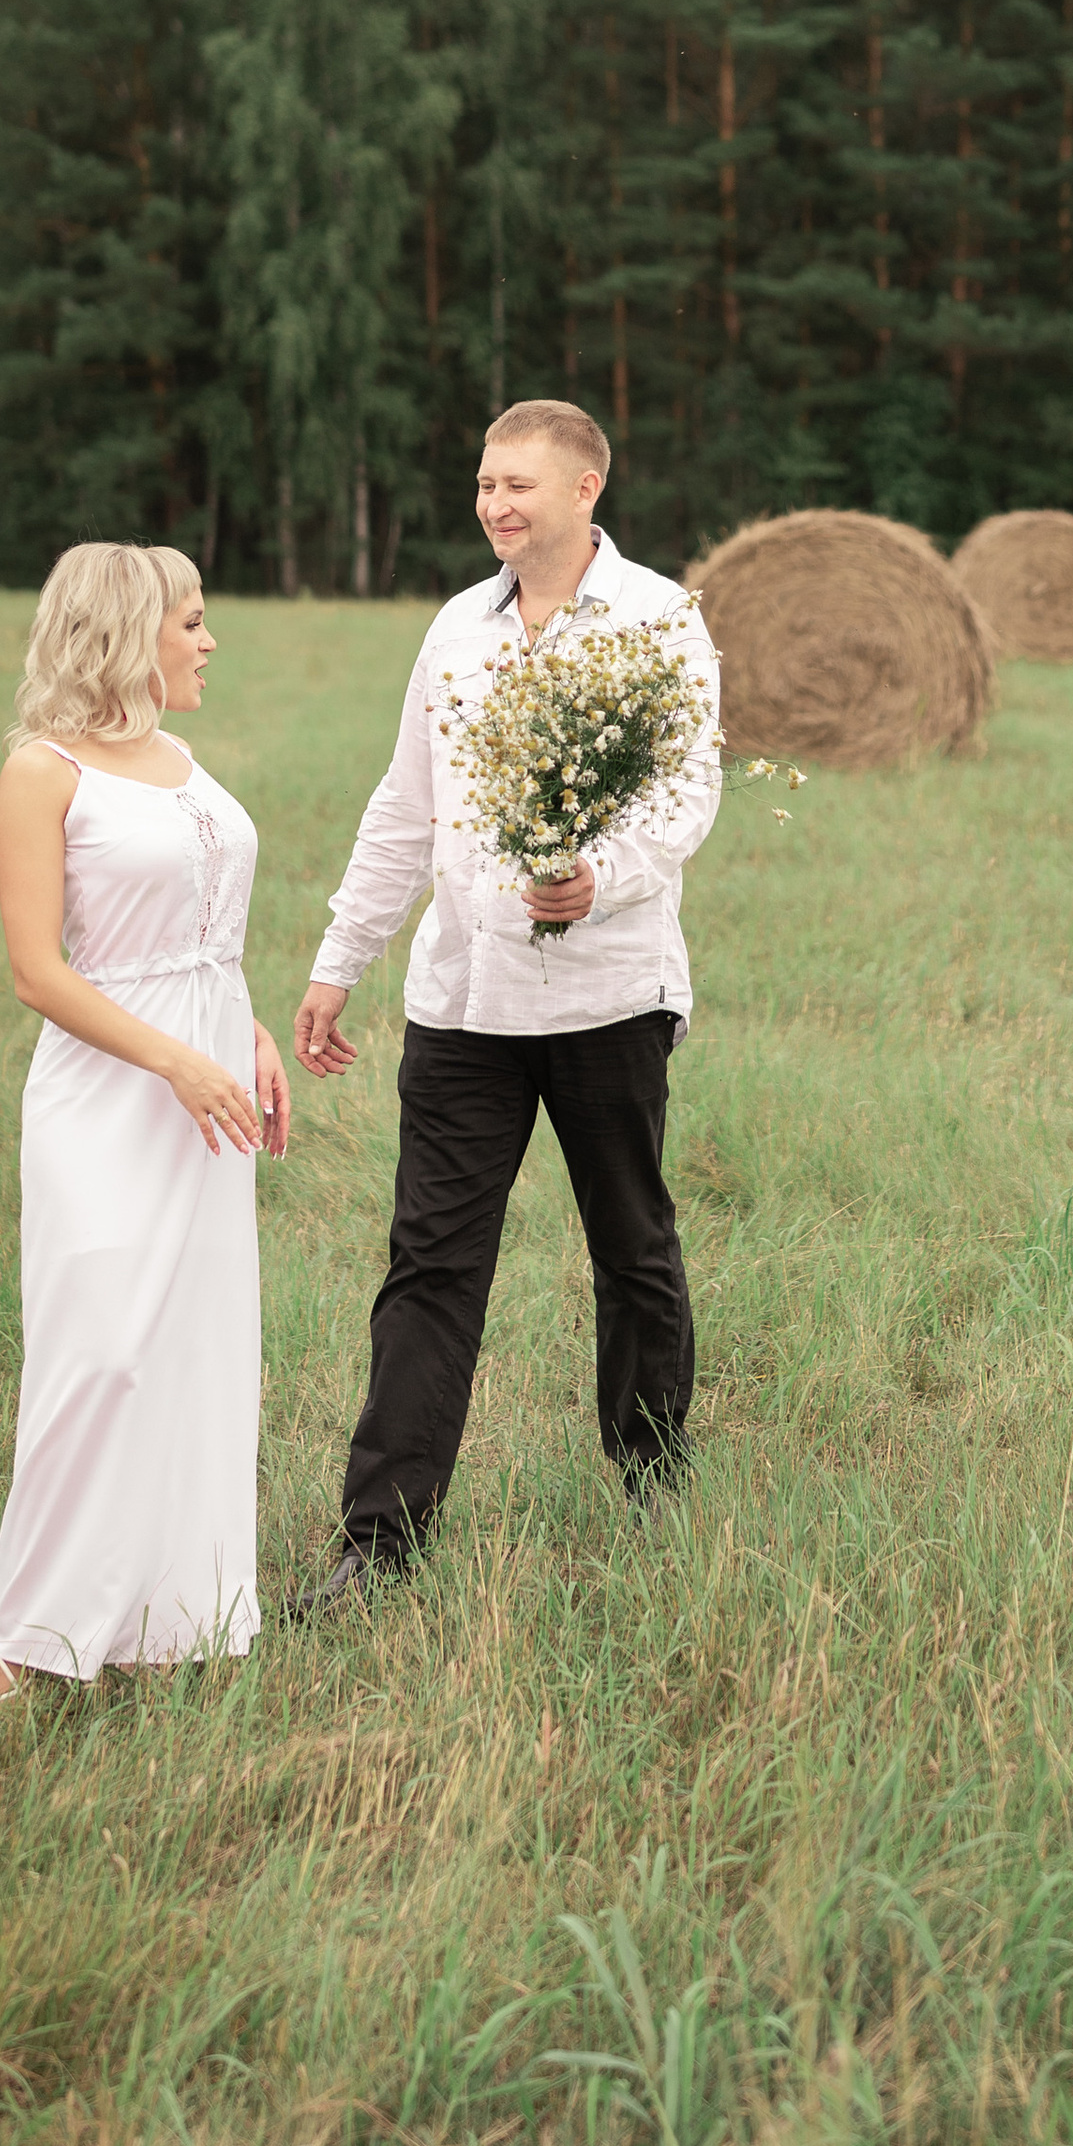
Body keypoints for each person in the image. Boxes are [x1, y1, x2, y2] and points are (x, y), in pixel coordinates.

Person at [290, 401, 720, 1607]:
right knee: (428, 1267)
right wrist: (339, 962)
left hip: (605, 997)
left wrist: (601, 879)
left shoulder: (660, 621)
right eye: (485, 483)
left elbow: (686, 796)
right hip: (460, 1004)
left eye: (519, 483)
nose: (495, 503)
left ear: (588, 488)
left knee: (630, 1247)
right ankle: (379, 1542)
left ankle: (650, 1485)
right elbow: (403, 807)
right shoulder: (453, 630)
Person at [0, 543, 292, 1713]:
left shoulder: (186, 762)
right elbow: (36, 972)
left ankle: (166, 1623)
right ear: (125, 630)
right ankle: (21, 1645)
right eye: (191, 621)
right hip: (110, 1099)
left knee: (195, 1360)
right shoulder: (41, 772)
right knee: (97, 1358)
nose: (209, 641)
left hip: (206, 1091)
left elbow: (212, 935)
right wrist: (175, 1062)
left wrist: (245, 1036)